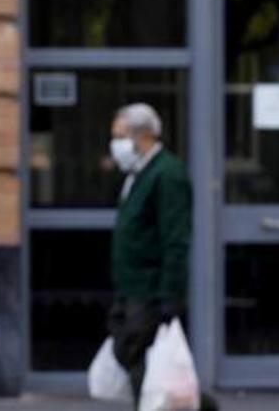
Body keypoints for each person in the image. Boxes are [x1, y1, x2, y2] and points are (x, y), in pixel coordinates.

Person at [105, 103, 216, 410]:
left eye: (120, 136)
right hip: (131, 286)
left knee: (145, 361)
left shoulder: (167, 174)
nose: (116, 144)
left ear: (145, 136)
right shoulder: (138, 173)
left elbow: (175, 239)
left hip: (150, 289)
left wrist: (170, 294)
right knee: (131, 355)